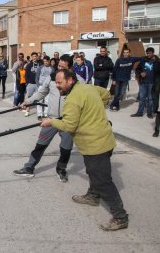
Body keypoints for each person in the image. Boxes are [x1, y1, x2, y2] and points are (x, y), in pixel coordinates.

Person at [41, 68, 129, 231]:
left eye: (60, 83)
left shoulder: (73, 100)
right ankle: (93, 196)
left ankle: (120, 217)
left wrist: (51, 122)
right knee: (92, 171)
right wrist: (94, 112)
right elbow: (106, 95)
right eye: (56, 83)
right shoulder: (87, 87)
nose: (57, 86)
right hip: (103, 139)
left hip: (95, 145)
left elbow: (68, 125)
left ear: (71, 81)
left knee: (103, 181)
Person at [13, 58, 73, 182]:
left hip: (68, 121)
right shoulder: (51, 78)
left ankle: (61, 169)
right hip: (51, 119)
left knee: (66, 148)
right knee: (40, 145)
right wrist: (27, 101)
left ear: (70, 68)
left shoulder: (76, 81)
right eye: (59, 66)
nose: (60, 69)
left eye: (63, 67)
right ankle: (29, 167)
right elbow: (40, 93)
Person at [131, 47, 159, 118]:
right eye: (147, 53)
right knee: (142, 98)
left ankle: (149, 113)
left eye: (149, 53)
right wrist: (140, 73)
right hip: (143, 82)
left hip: (152, 83)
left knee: (150, 99)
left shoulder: (157, 61)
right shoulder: (143, 60)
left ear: (153, 53)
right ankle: (139, 112)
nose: (148, 55)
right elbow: (137, 69)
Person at [24, 52, 42, 116]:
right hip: (31, 83)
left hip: (38, 84)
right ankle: (27, 110)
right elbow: (26, 75)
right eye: (33, 56)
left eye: (35, 56)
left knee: (38, 97)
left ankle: (39, 112)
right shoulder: (29, 65)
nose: (34, 57)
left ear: (37, 57)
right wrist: (27, 82)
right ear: (31, 57)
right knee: (29, 97)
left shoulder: (40, 64)